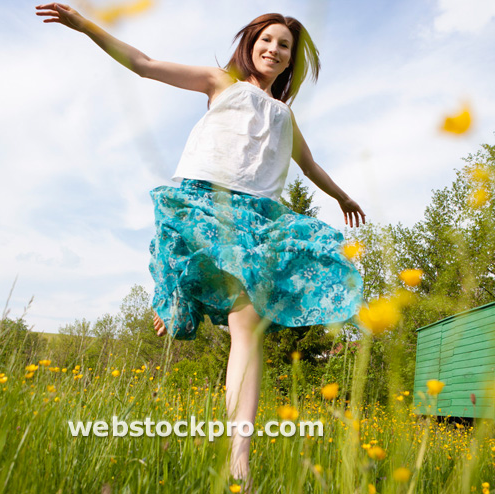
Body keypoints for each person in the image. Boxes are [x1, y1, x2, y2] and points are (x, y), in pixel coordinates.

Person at [36, 3, 366, 487]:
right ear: (251, 45)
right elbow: (144, 65)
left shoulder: (285, 118)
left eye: (284, 46)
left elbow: (311, 167)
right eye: (267, 41)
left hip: (259, 219)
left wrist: (341, 196)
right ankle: (178, 293)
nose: (274, 50)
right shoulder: (220, 83)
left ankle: (240, 459)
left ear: (291, 60)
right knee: (196, 267)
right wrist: (86, 26)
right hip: (206, 202)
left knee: (246, 329)